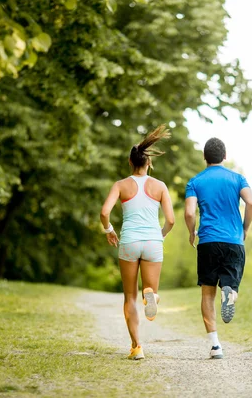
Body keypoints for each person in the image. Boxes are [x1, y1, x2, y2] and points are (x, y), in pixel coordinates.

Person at [100, 125, 175, 360]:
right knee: (149, 291)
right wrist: (159, 236)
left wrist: (109, 230)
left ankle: (137, 347)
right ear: (149, 163)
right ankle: (151, 295)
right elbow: (171, 220)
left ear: (130, 163)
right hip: (152, 241)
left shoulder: (121, 185)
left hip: (130, 241)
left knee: (129, 297)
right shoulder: (160, 186)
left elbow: (104, 212)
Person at [184, 137, 252, 359]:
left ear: (205, 157)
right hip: (233, 240)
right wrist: (244, 228)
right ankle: (230, 292)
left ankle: (215, 346)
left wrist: (191, 231)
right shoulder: (237, 178)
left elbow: (189, 212)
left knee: (207, 293)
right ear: (225, 156)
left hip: (207, 241)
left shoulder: (195, 182)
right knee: (230, 283)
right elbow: (251, 203)